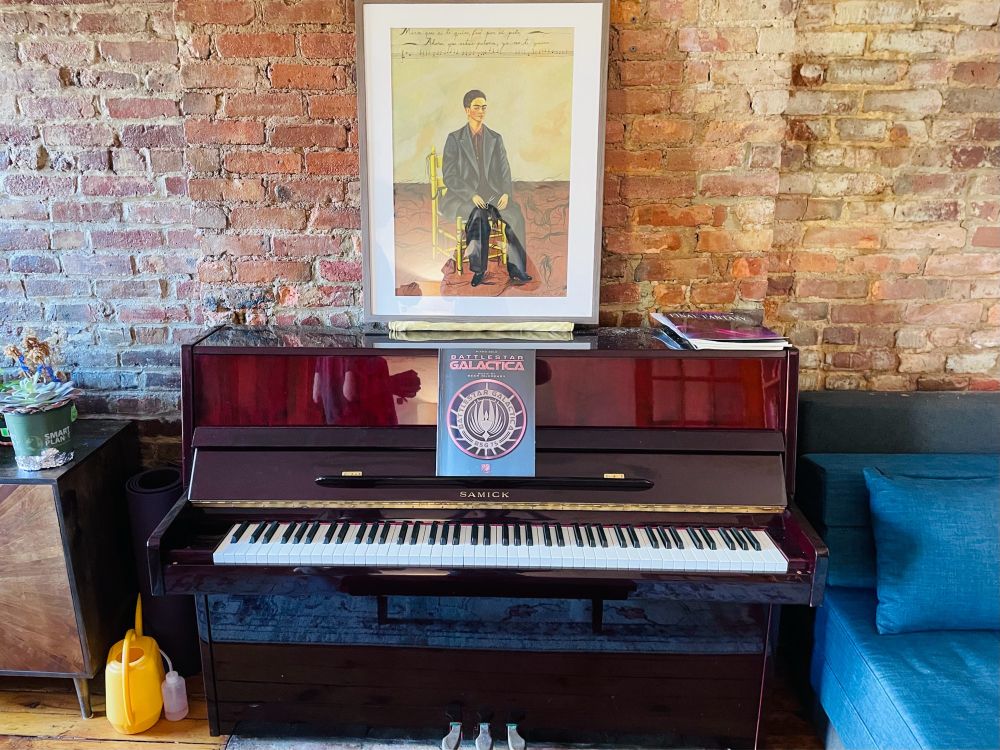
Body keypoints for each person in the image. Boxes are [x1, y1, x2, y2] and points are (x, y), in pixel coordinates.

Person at [439, 89, 532, 287]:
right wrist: (471, 195)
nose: (481, 111)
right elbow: (449, 176)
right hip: (462, 197)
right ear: (467, 110)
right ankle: (478, 270)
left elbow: (505, 171)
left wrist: (506, 193)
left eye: (484, 107)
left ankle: (517, 269)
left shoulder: (495, 138)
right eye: (476, 107)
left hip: (492, 195)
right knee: (479, 216)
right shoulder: (455, 139)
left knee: (514, 214)